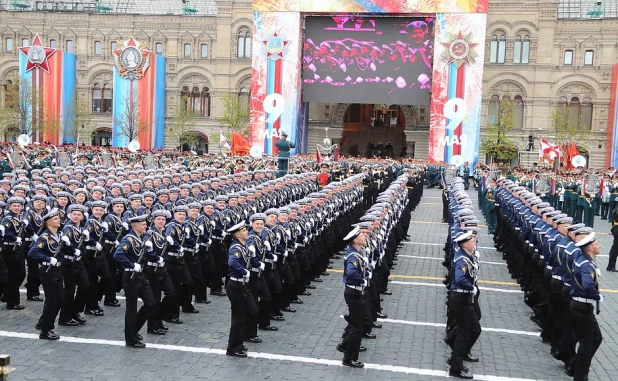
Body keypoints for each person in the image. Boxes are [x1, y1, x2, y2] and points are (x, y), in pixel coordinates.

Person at [113, 214, 156, 348]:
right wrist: (131, 265)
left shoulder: (140, 238)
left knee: (151, 303)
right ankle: (130, 339)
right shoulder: (129, 240)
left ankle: (133, 329)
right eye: (143, 225)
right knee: (131, 309)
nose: (146, 226)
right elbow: (117, 255)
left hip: (140, 276)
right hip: (131, 277)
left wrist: (150, 251)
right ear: (135, 226)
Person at [448, 230, 481, 380]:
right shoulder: (462, 259)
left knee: (475, 329)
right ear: (464, 244)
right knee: (464, 334)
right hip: (461, 298)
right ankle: (455, 368)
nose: (474, 243)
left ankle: (455, 354)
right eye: (472, 241)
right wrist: (471, 287)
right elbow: (460, 278)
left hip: (465, 299)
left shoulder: (468, 257)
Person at [570, 231, 603, 381]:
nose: (599, 246)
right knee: (587, 342)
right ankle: (580, 375)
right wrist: (597, 296)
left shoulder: (584, 259)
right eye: (596, 244)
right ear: (589, 248)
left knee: (596, 338)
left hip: (581, 306)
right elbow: (588, 285)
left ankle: (575, 365)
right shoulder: (585, 265)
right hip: (582, 307)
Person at [28, 209, 64, 340]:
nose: (58, 220)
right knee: (52, 301)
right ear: (48, 222)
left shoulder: (58, 235)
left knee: (60, 299)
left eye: (58, 218)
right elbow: (33, 253)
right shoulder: (45, 237)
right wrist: (49, 259)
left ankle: (43, 323)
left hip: (58, 271)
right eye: (55, 219)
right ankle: (45, 331)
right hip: (48, 271)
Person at [225, 220, 258, 358]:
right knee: (238, 318)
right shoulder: (236, 248)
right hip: (236, 285)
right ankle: (233, 348)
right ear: (238, 234)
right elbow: (232, 263)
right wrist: (244, 272)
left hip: (243, 285)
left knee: (252, 311)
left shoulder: (243, 246)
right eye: (244, 231)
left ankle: (239, 341)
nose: (247, 232)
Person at [339, 225, 368, 368]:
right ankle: (349, 358)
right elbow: (351, 272)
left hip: (354, 292)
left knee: (355, 323)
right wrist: (362, 280)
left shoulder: (356, 251)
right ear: (355, 240)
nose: (365, 236)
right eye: (361, 235)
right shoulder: (353, 255)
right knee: (357, 327)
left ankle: (345, 345)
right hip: (353, 292)